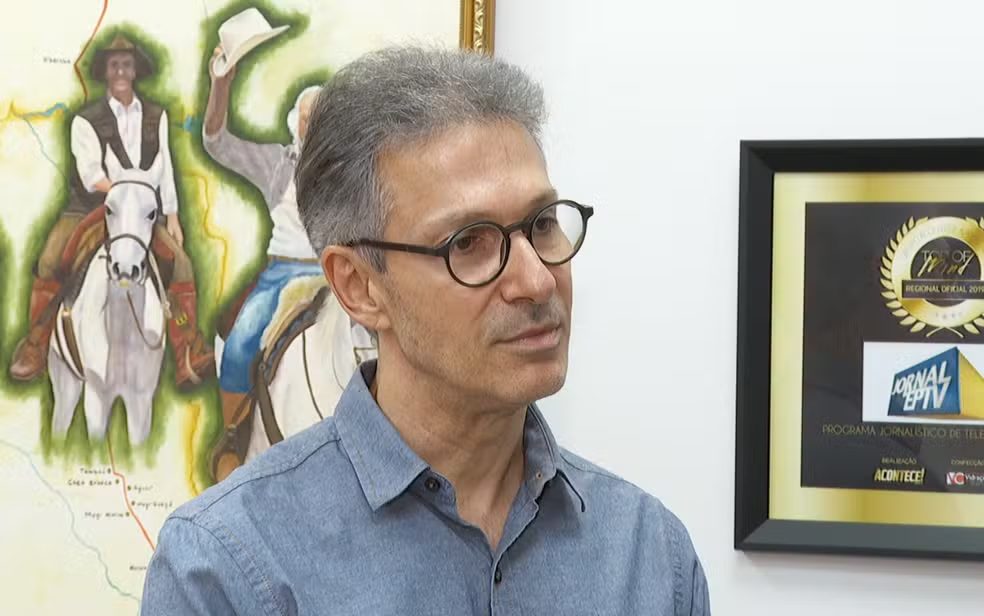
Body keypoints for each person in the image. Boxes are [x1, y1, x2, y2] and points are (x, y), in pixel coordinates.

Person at [142, 46, 710, 614]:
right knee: (245, 337)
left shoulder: (651, 556)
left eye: (542, 224)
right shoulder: (226, 569)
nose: (538, 281)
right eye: (468, 242)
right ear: (359, 288)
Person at [9, 34, 214, 388]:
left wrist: (172, 215)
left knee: (181, 263)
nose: (120, 71)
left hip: (142, 210)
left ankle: (186, 350)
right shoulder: (85, 120)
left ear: (135, 71)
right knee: (50, 259)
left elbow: (165, 166)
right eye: (114, 65)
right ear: (105, 71)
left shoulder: (156, 116)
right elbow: (91, 176)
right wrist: (126, 192)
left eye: (126, 65)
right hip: (91, 207)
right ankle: (37, 344)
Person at [201, 44, 324, 480]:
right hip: (282, 274)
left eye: (322, 118)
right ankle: (234, 436)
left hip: (336, 278)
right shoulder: (277, 163)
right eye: (308, 118)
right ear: (296, 122)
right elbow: (217, 143)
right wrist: (221, 85)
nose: (313, 126)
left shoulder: (349, 172)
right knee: (241, 340)